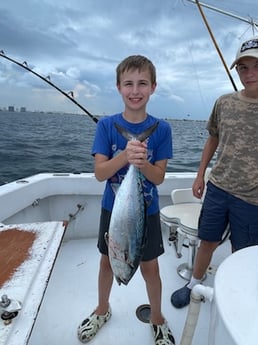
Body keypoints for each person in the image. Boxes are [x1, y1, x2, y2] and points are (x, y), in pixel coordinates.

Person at [77, 55, 175, 345]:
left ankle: (157, 317)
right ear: (119, 87)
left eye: (142, 83)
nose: (135, 90)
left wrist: (142, 162)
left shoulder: (162, 129)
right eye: (129, 84)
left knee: (151, 267)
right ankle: (102, 309)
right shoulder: (107, 127)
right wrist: (125, 155)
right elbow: (100, 173)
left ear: (153, 87)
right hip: (114, 210)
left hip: (148, 212)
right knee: (107, 263)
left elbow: (158, 179)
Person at [171, 36, 258, 309]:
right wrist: (199, 175)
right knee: (206, 240)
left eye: (256, 65)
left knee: (243, 251)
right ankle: (194, 283)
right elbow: (213, 138)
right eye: (243, 68)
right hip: (218, 188)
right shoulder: (223, 102)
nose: (249, 73)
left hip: (252, 198)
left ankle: (238, 292)